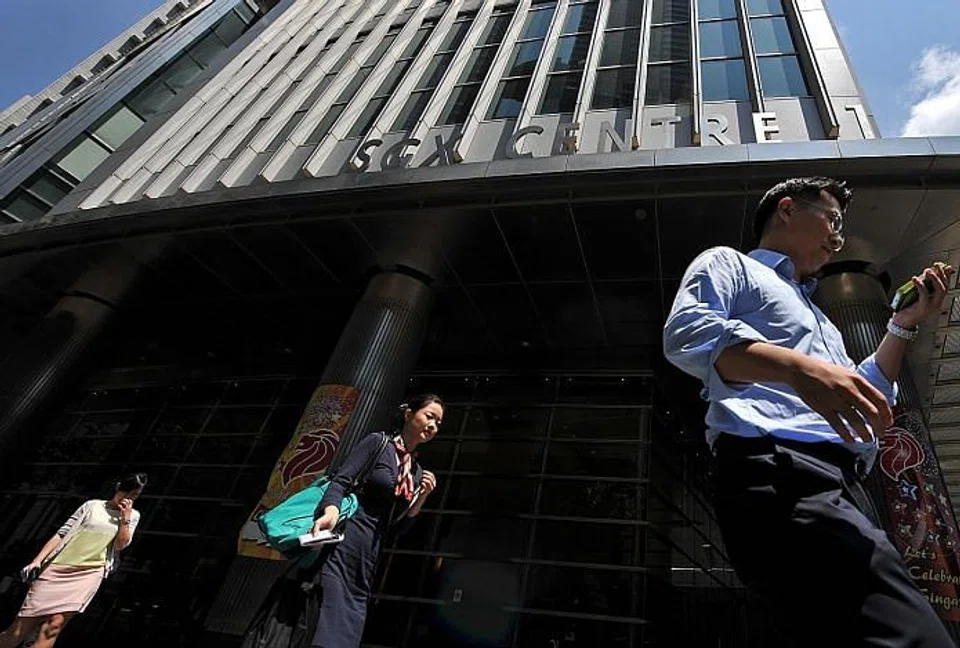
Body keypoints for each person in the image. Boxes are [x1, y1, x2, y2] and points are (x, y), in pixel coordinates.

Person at [663, 177, 955, 647]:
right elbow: (688, 335)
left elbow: (863, 389)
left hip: (844, 485)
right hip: (779, 470)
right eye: (832, 220)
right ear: (786, 209)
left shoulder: (821, 319)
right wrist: (800, 371)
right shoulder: (730, 264)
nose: (838, 237)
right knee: (914, 636)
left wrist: (902, 325)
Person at [309, 394, 443, 648]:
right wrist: (330, 512)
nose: (433, 425)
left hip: (367, 560)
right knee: (323, 628)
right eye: (430, 416)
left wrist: (422, 497)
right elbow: (341, 481)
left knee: (347, 635)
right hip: (342, 546)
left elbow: (397, 529)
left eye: (438, 423)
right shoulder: (378, 443)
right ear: (408, 414)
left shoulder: (414, 471)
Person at [0, 472, 147, 648]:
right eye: (126, 491)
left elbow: (120, 545)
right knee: (20, 628)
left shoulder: (133, 516)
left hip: (88, 573)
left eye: (134, 494)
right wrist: (38, 560)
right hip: (57, 568)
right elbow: (62, 533)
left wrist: (125, 519)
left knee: (54, 626)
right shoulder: (92, 506)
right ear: (118, 487)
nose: (128, 497)